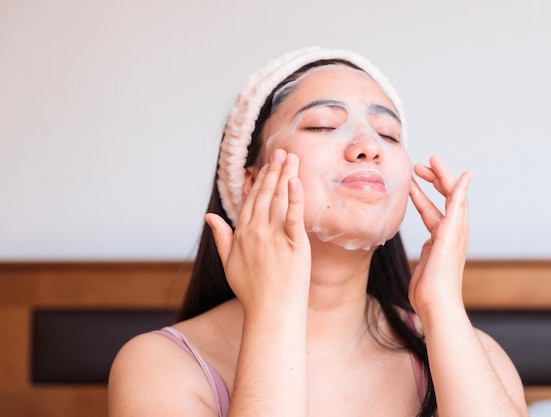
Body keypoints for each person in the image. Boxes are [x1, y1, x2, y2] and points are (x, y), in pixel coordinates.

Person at [108, 46, 529, 417]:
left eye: (388, 134)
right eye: (323, 125)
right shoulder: (162, 365)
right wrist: (273, 313)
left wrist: (441, 308)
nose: (370, 145)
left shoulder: (471, 355)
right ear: (250, 183)